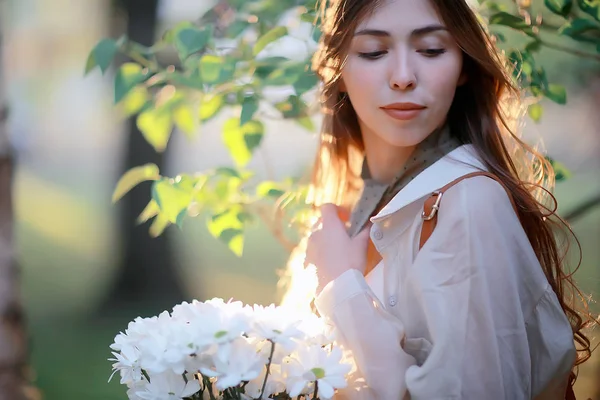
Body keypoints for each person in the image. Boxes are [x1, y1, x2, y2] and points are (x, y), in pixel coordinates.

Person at [296, 0, 597, 398]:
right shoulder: (344, 205)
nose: (403, 76)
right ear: (338, 70)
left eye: (431, 50)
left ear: (464, 69)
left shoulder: (471, 203)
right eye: (373, 52)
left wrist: (343, 287)